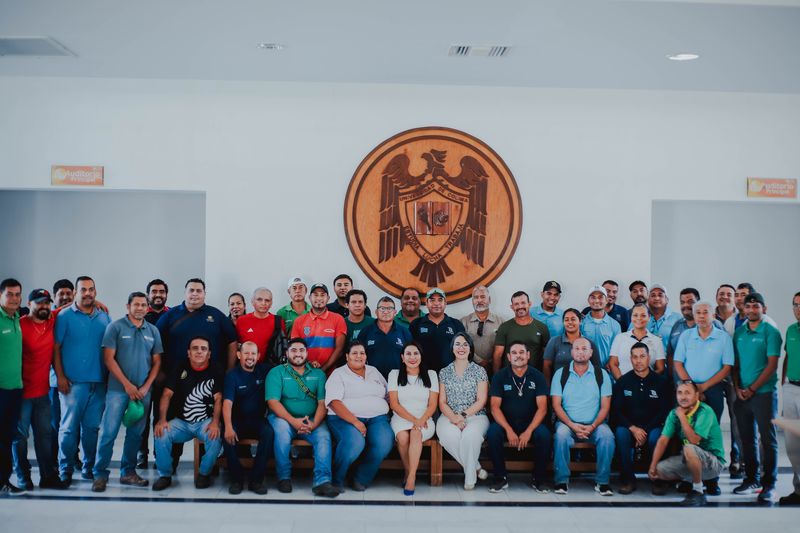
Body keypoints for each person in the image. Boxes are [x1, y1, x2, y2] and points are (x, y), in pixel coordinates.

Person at [92, 292, 162, 492]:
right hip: (118, 391)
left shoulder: (153, 331)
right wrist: (127, 385)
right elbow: (108, 359)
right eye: (136, 304)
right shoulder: (115, 327)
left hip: (143, 393)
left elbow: (157, 362)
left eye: (143, 305)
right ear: (128, 306)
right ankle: (100, 474)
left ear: (147, 308)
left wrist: (146, 386)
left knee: (135, 435)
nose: (140, 308)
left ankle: (128, 473)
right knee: (109, 432)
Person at [53, 276, 111, 484]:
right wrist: (60, 376)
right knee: (68, 429)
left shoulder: (104, 316)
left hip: (98, 384)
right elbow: (55, 348)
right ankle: (65, 469)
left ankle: (89, 467)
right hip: (72, 384)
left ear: (96, 292)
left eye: (91, 289)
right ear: (76, 293)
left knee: (92, 429)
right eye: (83, 290)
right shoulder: (64, 316)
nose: (87, 293)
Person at [265, 338, 338, 498]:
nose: (298, 354)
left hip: (312, 419)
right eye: (294, 350)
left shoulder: (318, 374)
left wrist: (313, 424)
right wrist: (294, 421)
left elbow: (322, 403)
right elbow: (273, 403)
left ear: (307, 353)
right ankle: (284, 477)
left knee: (324, 437)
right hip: (283, 418)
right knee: (282, 433)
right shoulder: (276, 372)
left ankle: (322, 481)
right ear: (287, 353)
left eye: (301, 350)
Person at [152, 336, 223, 491]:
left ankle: (204, 474)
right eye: (195, 348)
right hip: (182, 423)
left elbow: (218, 399)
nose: (199, 352)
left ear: (209, 354)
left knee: (215, 437)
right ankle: (165, 475)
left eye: (203, 349)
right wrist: (162, 420)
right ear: (188, 352)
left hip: (205, 421)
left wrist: (215, 422)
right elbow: (166, 394)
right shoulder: (179, 368)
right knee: (161, 432)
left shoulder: (216, 369)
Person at [13, 289, 64, 490]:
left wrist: (98, 303)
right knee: (20, 438)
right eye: (39, 303)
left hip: (43, 394)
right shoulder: (20, 324)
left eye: (46, 303)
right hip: (21, 393)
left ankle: (48, 477)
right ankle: (23, 476)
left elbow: (69, 305)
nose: (44, 306)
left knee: (45, 437)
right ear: (29, 303)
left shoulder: (52, 321)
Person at [732, 292, 781, 502]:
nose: (751, 310)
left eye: (756, 306)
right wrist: (738, 388)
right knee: (747, 440)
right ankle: (751, 478)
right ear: (743, 309)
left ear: (764, 309)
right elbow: (735, 365)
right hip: (742, 394)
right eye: (748, 306)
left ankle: (769, 484)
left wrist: (751, 389)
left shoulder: (770, 331)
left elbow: (772, 365)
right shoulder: (739, 333)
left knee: (768, 440)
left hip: (764, 394)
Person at [325, 340, 393, 491]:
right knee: (355, 443)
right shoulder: (339, 374)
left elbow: (388, 394)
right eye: (354, 353)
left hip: (377, 418)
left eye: (362, 353)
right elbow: (334, 402)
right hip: (345, 418)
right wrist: (355, 422)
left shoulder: (373, 371)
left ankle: (360, 477)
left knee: (384, 443)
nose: (359, 356)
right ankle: (337, 479)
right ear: (347, 356)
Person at [551, 337, 615, 496]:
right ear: (572, 351)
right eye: (577, 348)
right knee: (561, 435)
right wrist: (572, 425)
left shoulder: (602, 374)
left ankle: (602, 482)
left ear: (591, 352)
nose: (580, 352)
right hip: (567, 424)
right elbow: (556, 405)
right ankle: (561, 480)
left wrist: (592, 426)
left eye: (584, 349)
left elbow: (605, 406)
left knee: (607, 436)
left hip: (595, 425)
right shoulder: (561, 374)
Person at [486, 342, 551, 493]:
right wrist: (508, 429)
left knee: (545, 436)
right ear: (508, 357)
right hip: (506, 422)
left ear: (528, 355)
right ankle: (500, 478)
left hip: (531, 423)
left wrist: (529, 431)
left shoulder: (538, 376)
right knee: (493, 433)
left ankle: (539, 478)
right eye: (514, 353)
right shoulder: (500, 377)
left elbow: (542, 409)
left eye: (522, 352)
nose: (518, 356)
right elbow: (494, 407)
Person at [649, 380, 726, 507]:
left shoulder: (704, 411)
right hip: (690, 458)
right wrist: (652, 465)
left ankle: (698, 490)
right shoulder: (674, 413)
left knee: (689, 448)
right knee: (659, 471)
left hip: (714, 463)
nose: (683, 397)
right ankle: (690, 480)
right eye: (680, 393)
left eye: (687, 393)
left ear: (696, 395)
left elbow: (694, 440)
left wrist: (682, 417)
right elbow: (663, 440)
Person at [611, 342, 671, 494]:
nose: (639, 360)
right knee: (621, 434)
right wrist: (633, 428)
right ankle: (628, 479)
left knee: (655, 438)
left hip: (653, 426)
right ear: (630, 359)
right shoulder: (623, 382)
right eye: (635, 357)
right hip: (629, 426)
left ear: (649, 358)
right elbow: (616, 410)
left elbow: (664, 411)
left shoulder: (661, 382)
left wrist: (644, 430)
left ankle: (658, 479)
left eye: (642, 356)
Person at [436, 333, 489, 490]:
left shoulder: (479, 371)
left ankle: (470, 478)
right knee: (447, 436)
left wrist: (463, 416)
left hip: (475, 416)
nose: (461, 347)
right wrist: (454, 417)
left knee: (470, 437)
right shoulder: (444, 372)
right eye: (458, 344)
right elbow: (442, 402)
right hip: (449, 416)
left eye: (465, 344)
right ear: (452, 348)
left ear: (470, 349)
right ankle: (475, 468)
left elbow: (481, 400)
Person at [387, 341, 439, 496]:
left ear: (421, 356)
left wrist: (421, 420)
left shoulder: (431, 375)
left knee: (416, 433)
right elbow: (394, 405)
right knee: (403, 437)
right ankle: (410, 473)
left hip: (425, 418)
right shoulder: (394, 374)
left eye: (416, 353)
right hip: (401, 418)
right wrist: (414, 420)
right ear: (402, 358)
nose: (412, 357)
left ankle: (410, 477)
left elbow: (432, 405)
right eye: (408, 354)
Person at [222, 341, 273, 495]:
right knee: (227, 434)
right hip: (237, 420)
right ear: (239, 355)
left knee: (269, 432)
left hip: (257, 420)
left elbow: (288, 368)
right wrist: (229, 427)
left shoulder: (264, 370)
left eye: (253, 353)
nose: (249, 357)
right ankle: (236, 480)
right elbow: (227, 403)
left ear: (258, 356)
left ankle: (256, 481)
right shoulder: (232, 375)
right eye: (246, 353)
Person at [156, 278, 237, 372]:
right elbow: (155, 342)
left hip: (211, 377)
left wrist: (230, 370)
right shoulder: (170, 315)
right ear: (185, 293)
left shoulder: (217, 315)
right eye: (191, 290)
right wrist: (159, 372)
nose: (195, 293)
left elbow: (232, 341)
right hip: (175, 377)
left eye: (199, 291)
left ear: (204, 294)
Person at [673, 301, 734, 421]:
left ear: (713, 316)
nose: (701, 316)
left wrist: (703, 387)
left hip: (714, 388)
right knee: (688, 428)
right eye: (698, 313)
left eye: (705, 312)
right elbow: (678, 363)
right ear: (694, 316)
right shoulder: (686, 335)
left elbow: (727, 367)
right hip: (688, 388)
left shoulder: (724, 337)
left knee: (711, 427)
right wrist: (692, 387)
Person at [0, 279, 24, 495]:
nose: (14, 298)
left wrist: (94, 301)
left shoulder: (18, 317)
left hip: (15, 390)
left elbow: (48, 308)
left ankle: (3, 480)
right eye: (10, 294)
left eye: (17, 294)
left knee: (6, 438)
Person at [290, 283, 347, 372]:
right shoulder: (299, 321)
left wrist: (323, 369)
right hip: (305, 372)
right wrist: (309, 366)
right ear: (309, 298)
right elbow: (296, 349)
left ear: (328, 298)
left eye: (322, 295)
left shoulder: (338, 319)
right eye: (315, 295)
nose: (319, 298)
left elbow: (339, 349)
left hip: (331, 374)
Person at [492, 291, 550, 373]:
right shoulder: (504, 327)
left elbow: (547, 358)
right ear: (512, 307)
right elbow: (497, 355)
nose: (520, 306)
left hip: (534, 377)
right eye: (516, 304)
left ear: (529, 304)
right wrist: (496, 379)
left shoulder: (541, 327)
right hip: (509, 377)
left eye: (523, 303)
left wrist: (545, 380)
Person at [409, 288, 465, 372]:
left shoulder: (456, 324)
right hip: (423, 374)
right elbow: (410, 350)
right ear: (426, 303)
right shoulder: (416, 324)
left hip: (450, 375)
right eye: (432, 300)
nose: (436, 303)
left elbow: (464, 351)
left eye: (440, 300)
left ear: (445, 303)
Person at [357, 296, 411, 379]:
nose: (386, 312)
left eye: (389, 308)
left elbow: (411, 357)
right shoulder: (365, 332)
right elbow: (358, 358)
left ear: (395, 312)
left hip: (399, 380)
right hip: (372, 380)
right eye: (382, 308)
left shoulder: (404, 332)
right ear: (376, 312)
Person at [608, 303, 665, 380]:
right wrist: (622, 383)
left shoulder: (656, 341)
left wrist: (645, 383)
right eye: (635, 315)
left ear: (649, 317)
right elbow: (613, 364)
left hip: (648, 387)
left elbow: (660, 368)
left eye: (643, 315)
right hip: (624, 387)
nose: (639, 318)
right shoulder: (620, 338)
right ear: (631, 317)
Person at [780, 291, 800, 506]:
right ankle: (798, 489)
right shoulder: (791, 330)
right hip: (792, 388)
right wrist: (783, 383)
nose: (798, 309)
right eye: (795, 305)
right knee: (793, 446)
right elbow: (788, 356)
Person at [542, 308, 600, 383]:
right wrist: (548, 388)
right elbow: (546, 366)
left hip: (584, 387)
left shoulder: (589, 343)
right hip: (559, 387)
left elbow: (597, 368)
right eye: (566, 320)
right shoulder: (554, 341)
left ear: (580, 321)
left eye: (573, 319)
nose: (570, 322)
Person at [460, 285, 504, 370]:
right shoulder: (463, 322)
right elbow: (461, 346)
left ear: (489, 300)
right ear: (472, 301)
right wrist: (480, 361)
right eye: (476, 297)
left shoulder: (501, 322)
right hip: (469, 369)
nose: (479, 300)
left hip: (495, 368)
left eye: (483, 297)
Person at [236, 287, 284, 363]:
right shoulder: (242, 321)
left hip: (270, 367)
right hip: (248, 366)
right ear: (252, 301)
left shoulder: (278, 321)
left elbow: (281, 346)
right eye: (259, 299)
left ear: (271, 303)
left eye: (267, 300)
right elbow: (237, 346)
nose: (263, 303)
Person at [580, 285, 621, 369]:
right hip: (585, 370)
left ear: (606, 300)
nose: (596, 300)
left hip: (607, 371)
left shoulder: (615, 325)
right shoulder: (581, 323)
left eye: (600, 297)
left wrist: (610, 363)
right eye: (593, 297)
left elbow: (617, 350)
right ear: (588, 300)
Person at [646, 284, 681, 351]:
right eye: (653, 295)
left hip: (669, 361)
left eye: (660, 295)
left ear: (667, 300)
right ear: (648, 300)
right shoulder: (639, 318)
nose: (657, 298)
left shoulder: (678, 319)